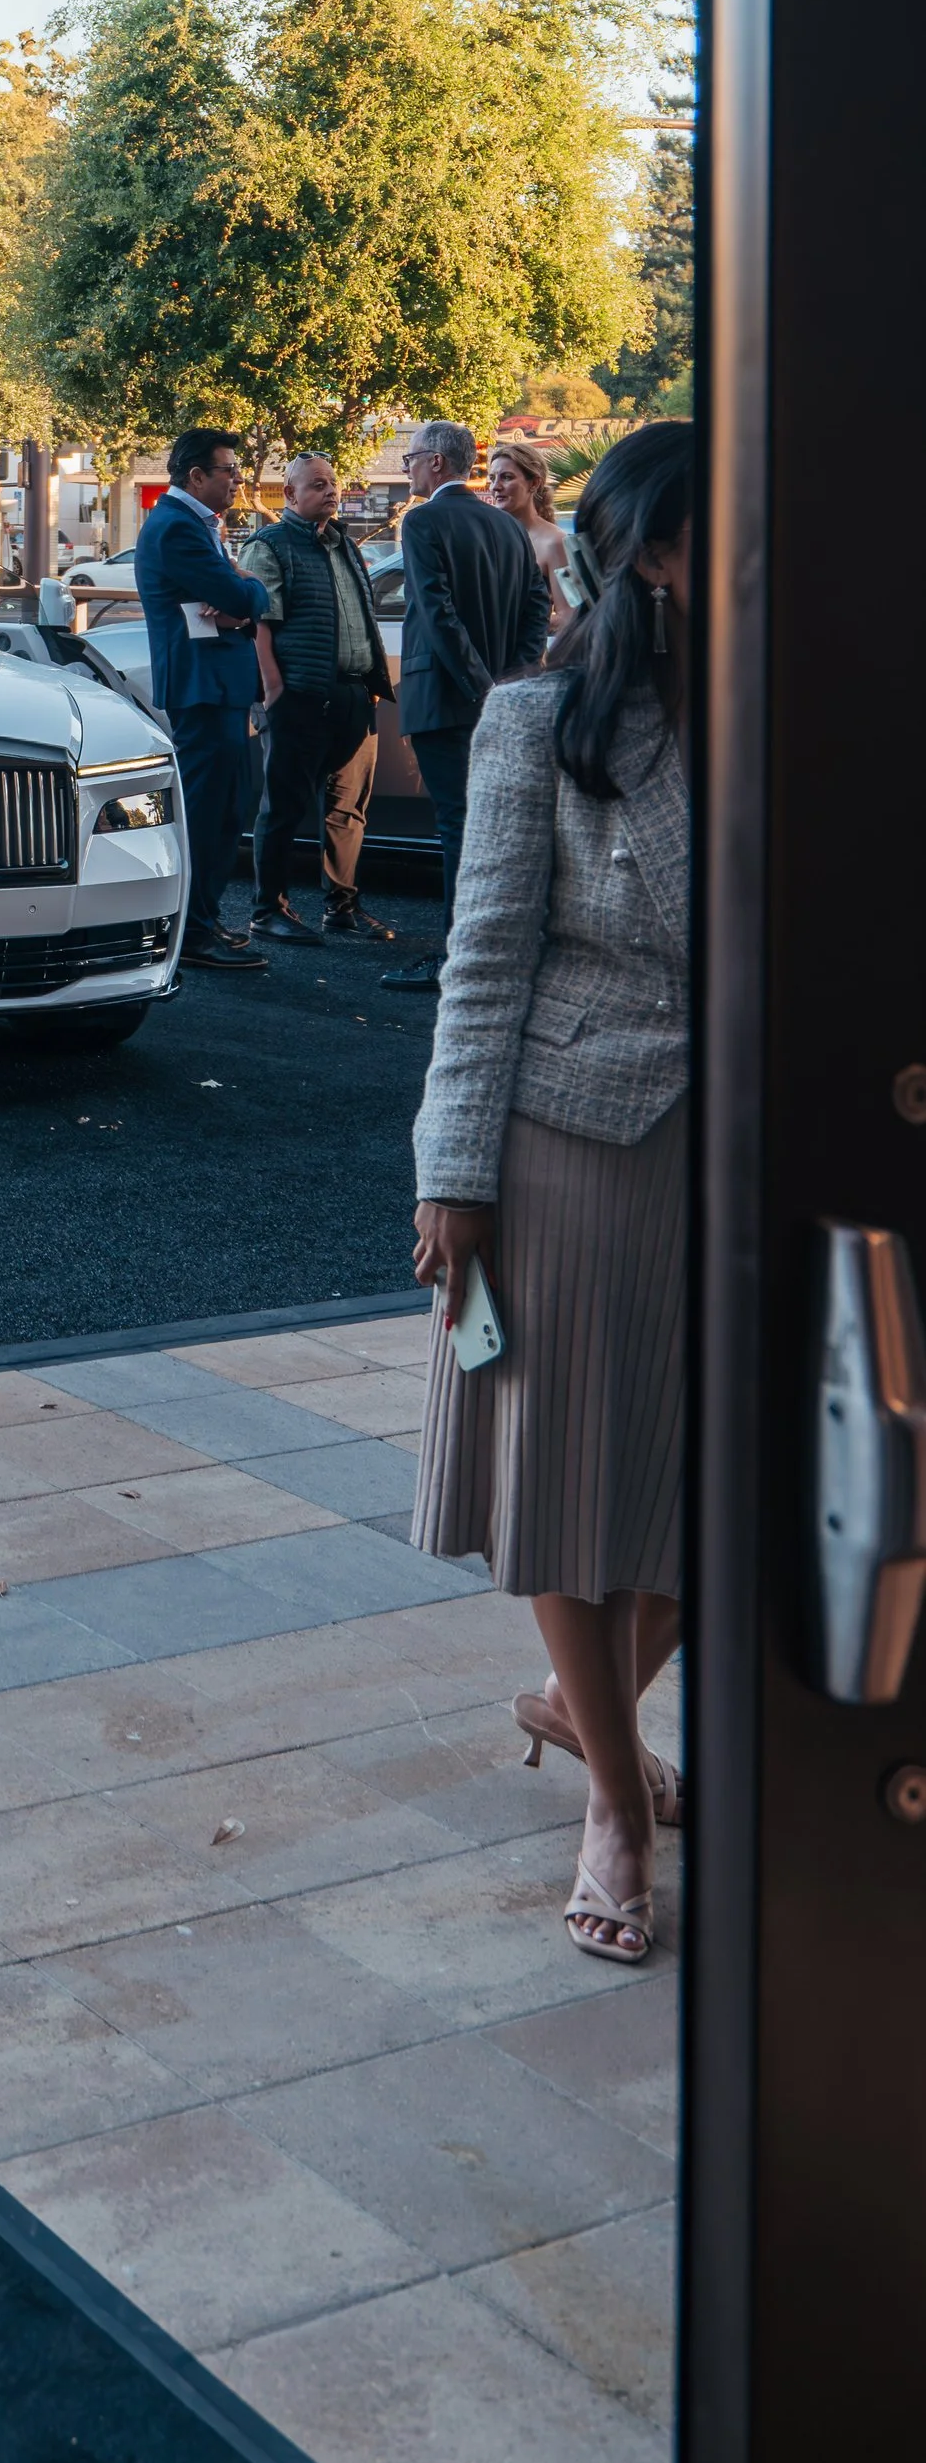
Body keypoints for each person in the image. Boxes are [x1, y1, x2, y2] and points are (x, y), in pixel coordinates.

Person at [408, 421, 693, 1969]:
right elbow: (484, 959)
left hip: (760, 1152)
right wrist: (455, 1176)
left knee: (736, 1484)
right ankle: (618, 1808)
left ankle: (592, 1716)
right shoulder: (540, 721)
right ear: (651, 555)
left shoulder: (809, 707)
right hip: (578, 1140)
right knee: (574, 1486)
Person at [383, 419, 550, 994]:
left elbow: (436, 611)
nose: (406, 468)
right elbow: (535, 606)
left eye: (409, 458)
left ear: (435, 462)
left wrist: (483, 687)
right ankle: (485, 949)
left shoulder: (422, 520)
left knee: (458, 827)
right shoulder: (506, 525)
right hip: (497, 694)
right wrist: (513, 678)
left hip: (447, 698)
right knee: (480, 826)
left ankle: (459, 958)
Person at [239, 452, 396, 946]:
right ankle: (268, 911)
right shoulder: (269, 544)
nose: (330, 491)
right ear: (289, 494)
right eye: (318, 484)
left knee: (348, 811)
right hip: (299, 697)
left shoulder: (344, 543)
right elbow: (259, 624)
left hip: (353, 695)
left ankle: (342, 909)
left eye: (333, 483)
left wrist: (370, 685)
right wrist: (274, 692)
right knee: (283, 809)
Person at [133, 428, 273, 974]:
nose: (237, 480)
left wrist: (239, 594)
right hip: (202, 686)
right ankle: (190, 931)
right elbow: (241, 595)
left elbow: (235, 601)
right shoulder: (176, 526)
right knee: (207, 813)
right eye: (228, 470)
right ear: (196, 476)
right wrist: (246, 585)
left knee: (226, 809)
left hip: (217, 685)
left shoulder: (196, 524)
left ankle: (204, 921)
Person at [487, 438, 582, 650]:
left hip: (527, 659)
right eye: (492, 478)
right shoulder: (487, 538)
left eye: (507, 477)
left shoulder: (556, 542)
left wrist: (513, 626)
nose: (495, 487)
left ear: (534, 483)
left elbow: (570, 615)